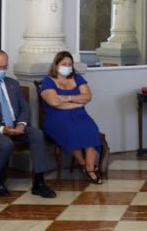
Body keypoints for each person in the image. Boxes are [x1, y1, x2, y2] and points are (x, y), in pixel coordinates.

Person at [0, 49, 57, 198]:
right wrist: (3, 129)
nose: (1, 70)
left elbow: (24, 107)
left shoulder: (13, 83)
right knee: (5, 143)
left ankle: (39, 182)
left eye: (4, 67)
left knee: (37, 134)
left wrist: (21, 124)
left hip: (15, 125)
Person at [39, 51, 103, 184]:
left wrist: (67, 98)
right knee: (71, 131)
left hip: (80, 115)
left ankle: (90, 168)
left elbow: (87, 96)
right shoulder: (48, 81)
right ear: (56, 65)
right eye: (64, 64)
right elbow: (54, 103)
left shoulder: (77, 78)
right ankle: (83, 164)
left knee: (91, 129)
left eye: (70, 64)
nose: (67, 66)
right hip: (56, 118)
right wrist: (77, 104)